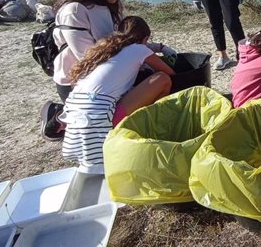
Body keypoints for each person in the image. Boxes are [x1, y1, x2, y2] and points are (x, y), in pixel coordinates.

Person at [57, 16, 175, 174]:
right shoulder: (140, 49)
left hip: (74, 120)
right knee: (162, 79)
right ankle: (153, 125)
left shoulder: (106, 50)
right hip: (101, 119)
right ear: (145, 38)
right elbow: (169, 72)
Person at [40, 0, 136, 140]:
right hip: (78, 80)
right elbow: (88, 56)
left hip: (105, 73)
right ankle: (58, 116)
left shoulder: (109, 7)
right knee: (106, 129)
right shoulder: (74, 10)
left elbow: (116, 43)